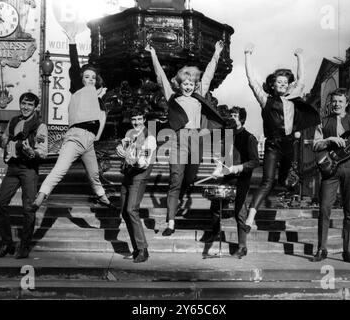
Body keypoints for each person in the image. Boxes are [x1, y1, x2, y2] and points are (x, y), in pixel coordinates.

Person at [145, 41, 225, 236]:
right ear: (179, 85)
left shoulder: (199, 96)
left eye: (191, 84)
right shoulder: (173, 97)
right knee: (175, 180)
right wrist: (153, 55)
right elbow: (160, 77)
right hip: (178, 140)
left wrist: (216, 53)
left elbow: (208, 76)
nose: (188, 86)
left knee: (190, 177)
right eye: (185, 84)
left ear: (194, 85)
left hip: (196, 140)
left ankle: (180, 194)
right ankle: (170, 223)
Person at [31, 25, 112, 210]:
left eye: (93, 77)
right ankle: (41, 196)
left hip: (89, 141)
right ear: (81, 79)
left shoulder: (96, 97)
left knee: (94, 175)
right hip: (75, 137)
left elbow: (101, 118)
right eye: (87, 77)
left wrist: (100, 99)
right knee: (59, 170)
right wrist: (72, 42)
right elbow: (75, 66)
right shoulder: (79, 89)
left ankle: (102, 197)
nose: (90, 79)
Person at [243, 45, 320, 232]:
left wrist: (299, 56)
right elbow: (252, 80)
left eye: (285, 82)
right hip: (272, 145)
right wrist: (247, 55)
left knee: (285, 179)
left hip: (289, 146)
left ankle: (288, 184)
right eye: (279, 82)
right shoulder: (265, 100)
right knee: (267, 181)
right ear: (273, 85)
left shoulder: (294, 97)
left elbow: (301, 79)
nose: (283, 85)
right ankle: (250, 216)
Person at [311, 88, 350, 264]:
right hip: (330, 168)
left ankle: (347, 251)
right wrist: (329, 140)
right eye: (334, 101)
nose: (337, 104)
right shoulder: (322, 122)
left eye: (340, 101)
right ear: (331, 103)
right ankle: (322, 249)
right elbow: (315, 145)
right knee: (324, 209)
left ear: (346, 103)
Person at [0, 92, 48, 259]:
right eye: (23, 103)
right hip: (13, 168)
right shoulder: (14, 121)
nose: (25, 107)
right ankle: (8, 243)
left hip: (29, 169)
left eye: (30, 104)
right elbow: (5, 144)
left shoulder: (40, 125)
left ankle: (24, 247)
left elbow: (42, 153)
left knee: (28, 208)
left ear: (35, 106)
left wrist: (32, 152)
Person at [204, 107, 259, 258]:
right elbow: (223, 158)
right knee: (215, 206)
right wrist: (218, 169)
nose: (232, 118)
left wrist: (239, 167)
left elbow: (255, 161)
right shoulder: (228, 136)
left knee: (240, 211)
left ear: (241, 119)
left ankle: (242, 246)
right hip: (228, 177)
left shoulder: (249, 137)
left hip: (242, 178)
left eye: (235, 115)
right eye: (231, 115)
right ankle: (216, 234)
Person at [116, 108, 157, 263]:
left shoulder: (149, 138)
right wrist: (120, 150)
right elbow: (124, 149)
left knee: (131, 210)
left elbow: (143, 163)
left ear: (144, 120)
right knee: (125, 212)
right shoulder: (131, 135)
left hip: (139, 177)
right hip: (127, 175)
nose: (136, 122)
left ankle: (143, 249)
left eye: (139, 119)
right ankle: (136, 249)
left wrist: (128, 155)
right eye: (134, 119)